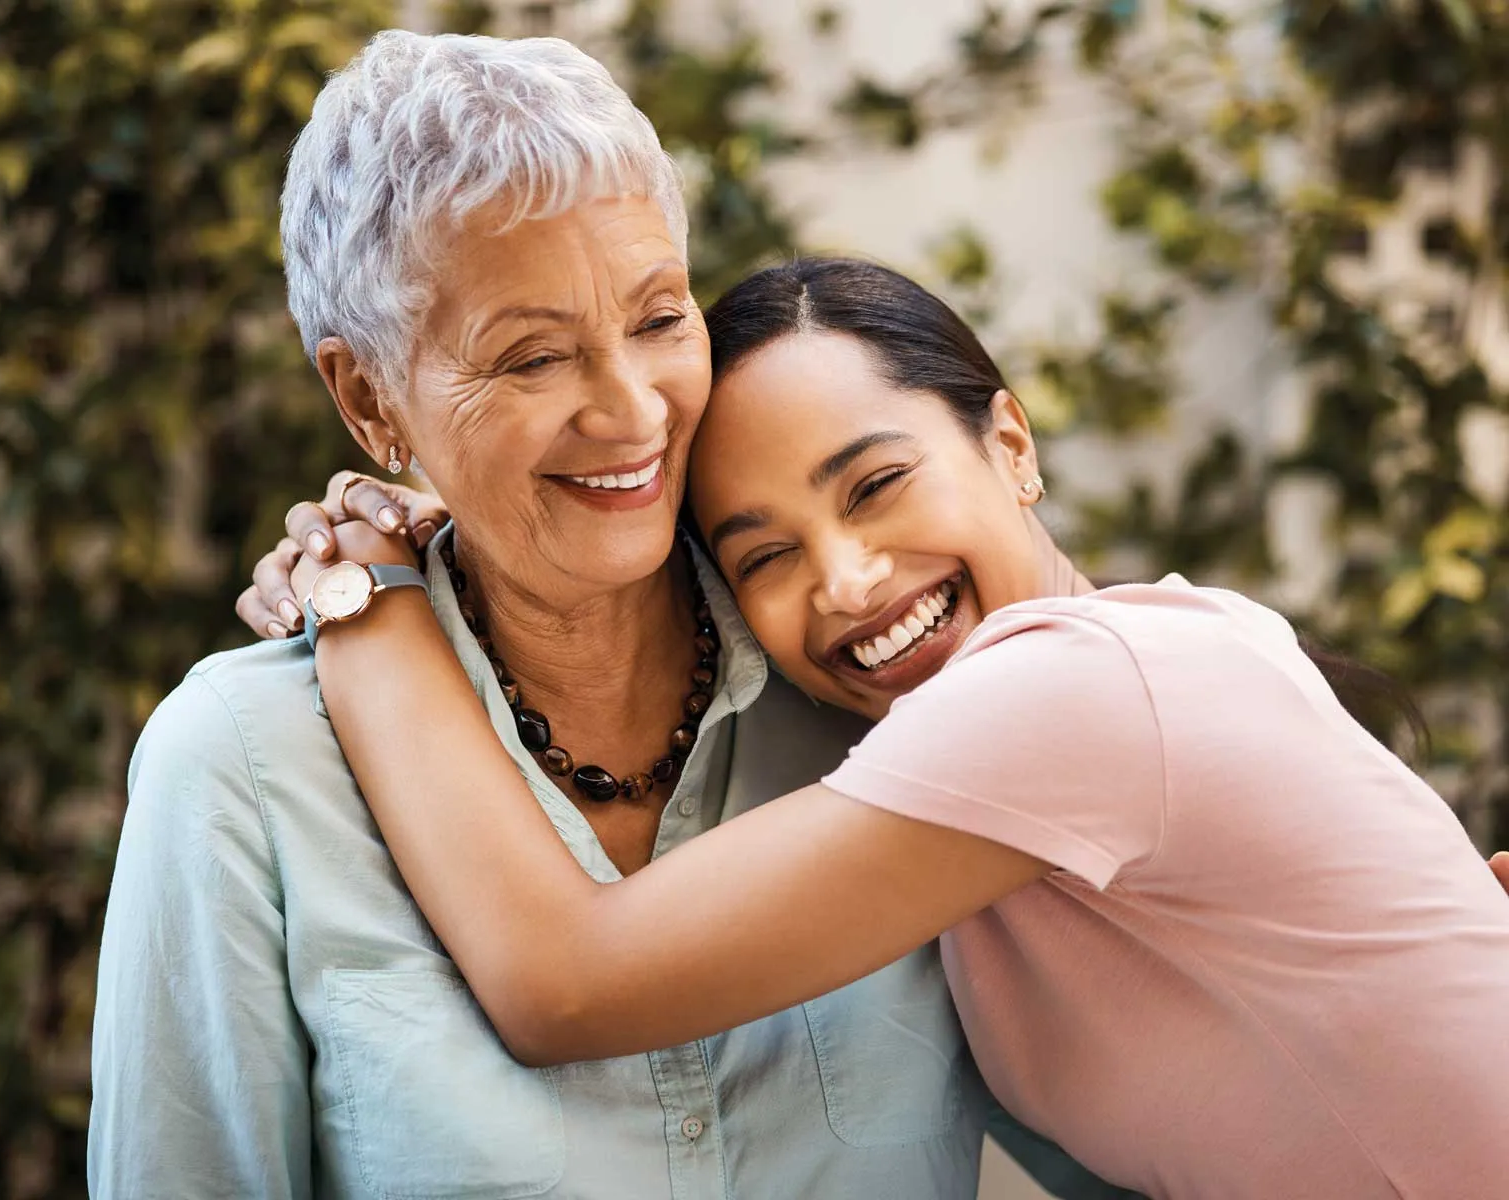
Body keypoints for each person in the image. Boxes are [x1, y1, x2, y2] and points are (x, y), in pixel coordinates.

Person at [91, 32, 1128, 1200]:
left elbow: (1160, 1138)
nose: (630, 411)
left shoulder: (868, 682)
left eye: (656, 320)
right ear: (369, 397)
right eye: (533, 357)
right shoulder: (242, 770)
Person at [270, 258, 1509, 1199]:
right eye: (764, 556)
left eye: (875, 485)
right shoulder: (969, 805)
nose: (851, 581)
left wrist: (364, 595)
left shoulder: (1076, 692)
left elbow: (563, 985)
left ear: (1008, 443)